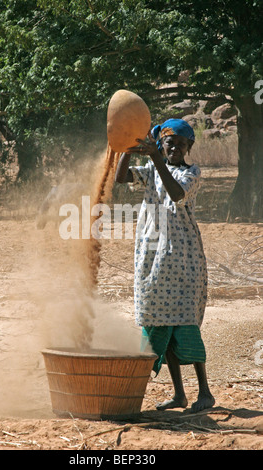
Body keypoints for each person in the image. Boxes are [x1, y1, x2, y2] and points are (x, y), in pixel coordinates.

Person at [115, 118, 215, 413]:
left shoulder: (190, 173)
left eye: (180, 144)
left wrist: (156, 157)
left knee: (184, 323)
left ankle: (205, 393)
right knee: (162, 321)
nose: (174, 148)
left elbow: (176, 194)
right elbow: (122, 178)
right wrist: (128, 147)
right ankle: (180, 395)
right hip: (152, 257)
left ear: (189, 148)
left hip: (182, 258)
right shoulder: (152, 170)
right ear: (162, 143)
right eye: (168, 143)